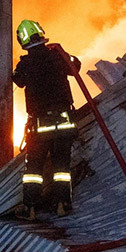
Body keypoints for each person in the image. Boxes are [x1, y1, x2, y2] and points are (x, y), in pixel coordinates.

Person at [12, 20, 81, 219]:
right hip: (64, 122)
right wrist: (63, 52)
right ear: (41, 33)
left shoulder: (25, 64)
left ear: (22, 40)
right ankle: (63, 205)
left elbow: (17, 80)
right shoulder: (57, 57)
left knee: (34, 168)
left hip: (40, 126)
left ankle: (30, 208)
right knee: (61, 167)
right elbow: (75, 65)